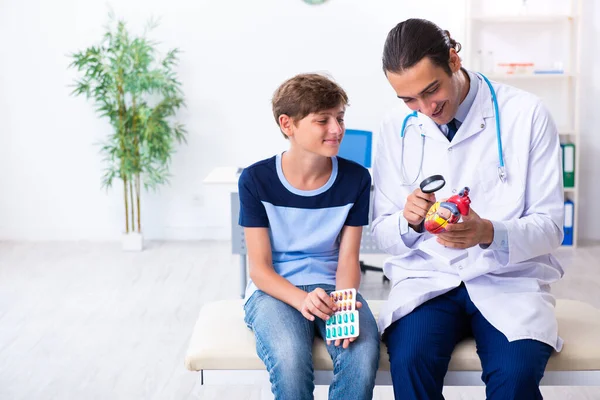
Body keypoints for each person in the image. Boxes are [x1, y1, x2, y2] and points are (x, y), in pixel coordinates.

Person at [372, 18, 564, 400]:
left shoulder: (526, 114)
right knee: (410, 360)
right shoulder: (395, 127)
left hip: (508, 278)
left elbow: (551, 226)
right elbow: (380, 231)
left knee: (516, 372)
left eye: (432, 90)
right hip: (428, 278)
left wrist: (489, 232)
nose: (425, 109)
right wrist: (408, 223)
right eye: (409, 99)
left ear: (454, 60)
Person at [239, 73, 380, 400]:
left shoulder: (356, 179)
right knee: (289, 359)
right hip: (273, 290)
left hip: (334, 288)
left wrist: (345, 303)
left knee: (361, 355)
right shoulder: (256, 179)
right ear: (287, 124)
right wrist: (302, 299)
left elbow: (348, 259)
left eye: (340, 118)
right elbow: (259, 270)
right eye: (323, 120)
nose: (337, 129)